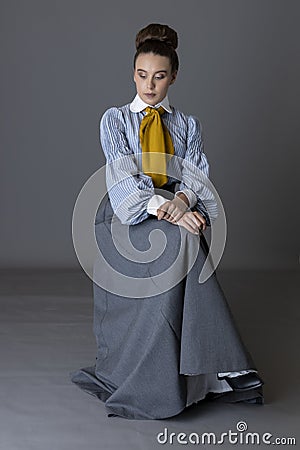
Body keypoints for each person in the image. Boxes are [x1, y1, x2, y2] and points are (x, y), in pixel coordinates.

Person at [71, 23, 264, 420]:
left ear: (173, 76)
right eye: (142, 75)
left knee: (185, 236)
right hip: (128, 217)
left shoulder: (187, 125)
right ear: (133, 74)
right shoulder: (116, 120)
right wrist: (169, 209)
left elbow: (195, 175)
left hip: (174, 212)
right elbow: (124, 179)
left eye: (159, 76)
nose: (149, 85)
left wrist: (180, 201)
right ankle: (224, 364)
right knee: (185, 238)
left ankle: (203, 372)